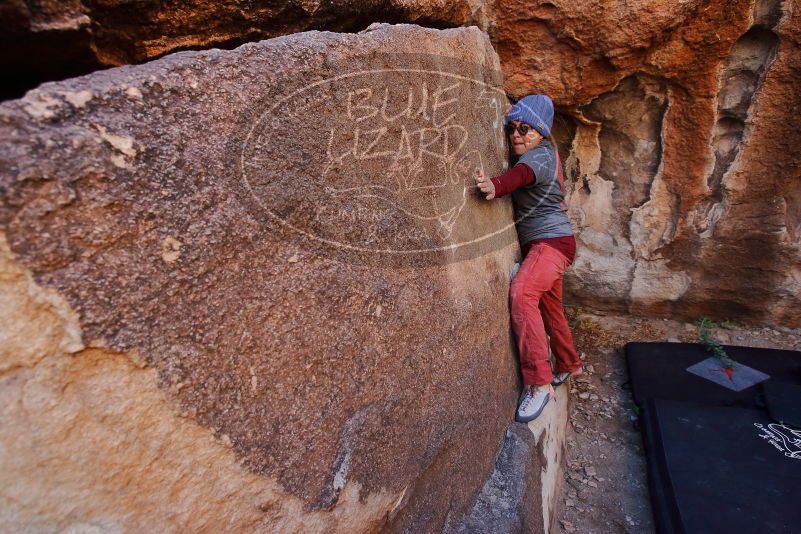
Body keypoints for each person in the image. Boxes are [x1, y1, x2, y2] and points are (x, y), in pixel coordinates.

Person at [475, 94, 583, 423]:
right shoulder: (546, 154)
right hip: (556, 243)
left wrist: (493, 186)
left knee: (523, 293)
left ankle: (538, 382)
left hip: (549, 244)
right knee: (550, 307)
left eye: (526, 128)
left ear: (541, 134)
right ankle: (567, 363)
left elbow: (518, 177)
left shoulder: (539, 158)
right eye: (512, 128)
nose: (517, 134)